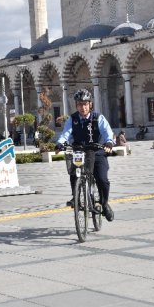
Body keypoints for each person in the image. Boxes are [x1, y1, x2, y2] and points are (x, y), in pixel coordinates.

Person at [56, 89, 115, 221]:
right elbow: (66, 133)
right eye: (80, 104)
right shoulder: (73, 119)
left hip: (97, 150)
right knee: (74, 171)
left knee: (102, 179)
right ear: (76, 105)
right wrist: (60, 144)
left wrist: (109, 143)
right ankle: (76, 196)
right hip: (80, 150)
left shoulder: (98, 118)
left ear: (90, 105)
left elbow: (107, 133)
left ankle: (104, 204)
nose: (83, 107)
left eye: (85, 104)